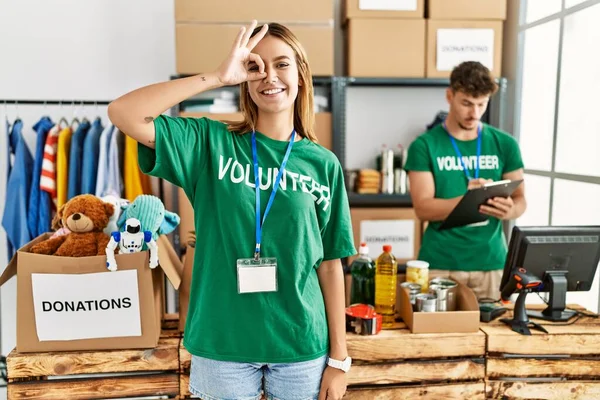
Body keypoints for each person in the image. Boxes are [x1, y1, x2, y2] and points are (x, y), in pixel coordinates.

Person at [108, 20, 355, 400]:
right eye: (256, 66)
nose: (269, 76)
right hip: (222, 343)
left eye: (282, 64)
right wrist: (216, 76)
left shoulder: (324, 165)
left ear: (302, 75)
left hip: (301, 344)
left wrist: (339, 359)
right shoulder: (209, 143)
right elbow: (124, 112)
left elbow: (330, 264)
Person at [404, 61, 527, 300]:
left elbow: (521, 200)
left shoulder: (505, 144)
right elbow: (423, 208)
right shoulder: (425, 146)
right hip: (442, 263)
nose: (474, 113)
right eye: (467, 104)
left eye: (482, 104)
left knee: (494, 334)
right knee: (441, 335)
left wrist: (509, 210)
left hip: (492, 263)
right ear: (449, 96)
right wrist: (469, 201)